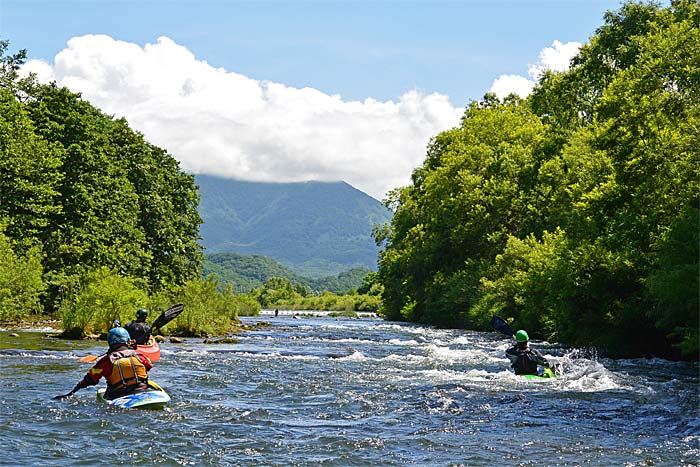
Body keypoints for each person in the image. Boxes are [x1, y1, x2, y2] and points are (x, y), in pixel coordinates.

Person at [61, 327, 153, 400]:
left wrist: (80, 385)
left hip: (119, 395)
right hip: (142, 389)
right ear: (128, 341)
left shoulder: (105, 361)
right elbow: (149, 365)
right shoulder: (139, 355)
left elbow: (91, 378)